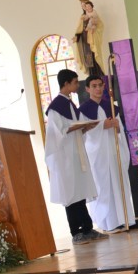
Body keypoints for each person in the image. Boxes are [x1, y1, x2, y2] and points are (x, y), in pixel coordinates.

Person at [44, 69, 107, 245]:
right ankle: (76, 232)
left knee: (79, 190)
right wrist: (78, 125)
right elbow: (58, 131)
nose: (77, 85)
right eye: (75, 82)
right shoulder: (56, 107)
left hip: (75, 153)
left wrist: (85, 127)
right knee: (70, 193)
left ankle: (87, 228)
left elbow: (74, 127)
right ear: (66, 83)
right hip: (64, 157)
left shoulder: (70, 104)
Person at [79, 76, 136, 232]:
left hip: (112, 152)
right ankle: (107, 223)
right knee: (103, 186)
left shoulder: (111, 107)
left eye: (100, 85)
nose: (98, 88)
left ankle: (123, 219)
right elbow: (82, 134)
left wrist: (117, 126)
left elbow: (120, 133)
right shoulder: (83, 110)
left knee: (118, 184)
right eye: (94, 86)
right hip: (98, 156)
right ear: (87, 89)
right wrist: (102, 126)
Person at [73, 0, 104, 78]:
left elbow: (100, 25)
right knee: (88, 59)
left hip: (92, 40)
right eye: (82, 5)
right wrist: (77, 36)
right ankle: (92, 76)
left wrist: (94, 28)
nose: (83, 7)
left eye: (85, 5)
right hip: (85, 41)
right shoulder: (82, 17)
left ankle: (100, 75)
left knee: (95, 57)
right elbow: (79, 29)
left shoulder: (94, 14)